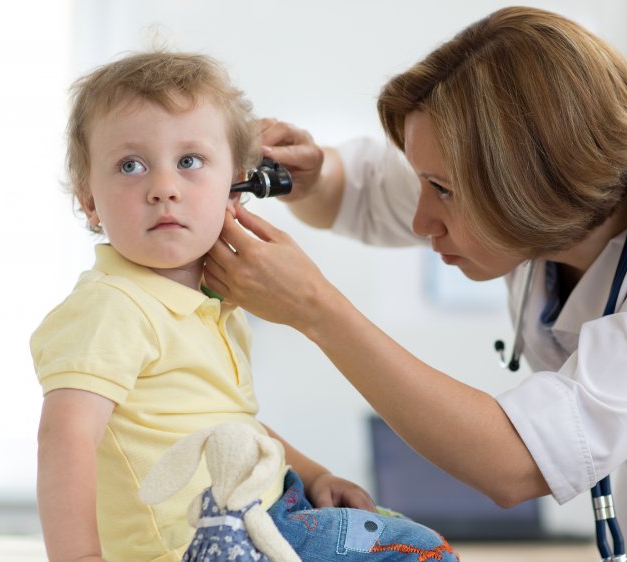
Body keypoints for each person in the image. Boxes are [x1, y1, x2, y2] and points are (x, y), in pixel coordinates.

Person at [203, 7, 627, 561]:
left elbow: (514, 466)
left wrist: (316, 310)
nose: (420, 219)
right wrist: (311, 174)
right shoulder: (547, 196)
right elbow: (352, 194)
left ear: (535, 184)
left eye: (441, 190)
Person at [31, 51, 459, 562]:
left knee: (392, 531)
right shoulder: (111, 306)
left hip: (266, 512)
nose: (163, 188)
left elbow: (235, 430)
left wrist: (318, 474)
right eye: (131, 165)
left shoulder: (212, 305)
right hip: (197, 543)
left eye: (189, 162)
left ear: (237, 188)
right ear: (91, 202)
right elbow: (65, 438)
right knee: (415, 550)